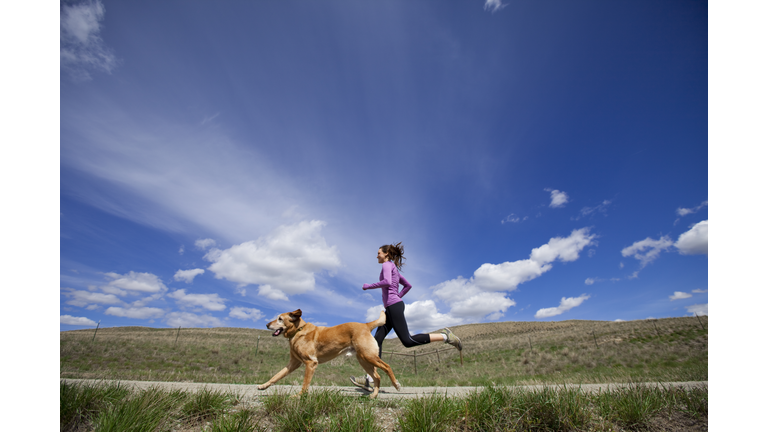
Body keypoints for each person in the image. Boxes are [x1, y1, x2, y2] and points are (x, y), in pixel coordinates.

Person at [350, 242, 462, 391]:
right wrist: (398, 296)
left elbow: (388, 282)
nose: (377, 255)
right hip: (392, 307)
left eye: (379, 253)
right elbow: (408, 285)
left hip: (393, 307)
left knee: (407, 341)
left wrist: (369, 286)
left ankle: (445, 336)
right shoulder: (394, 268)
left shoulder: (386, 265)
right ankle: (370, 379)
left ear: (386, 254)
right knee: (377, 341)